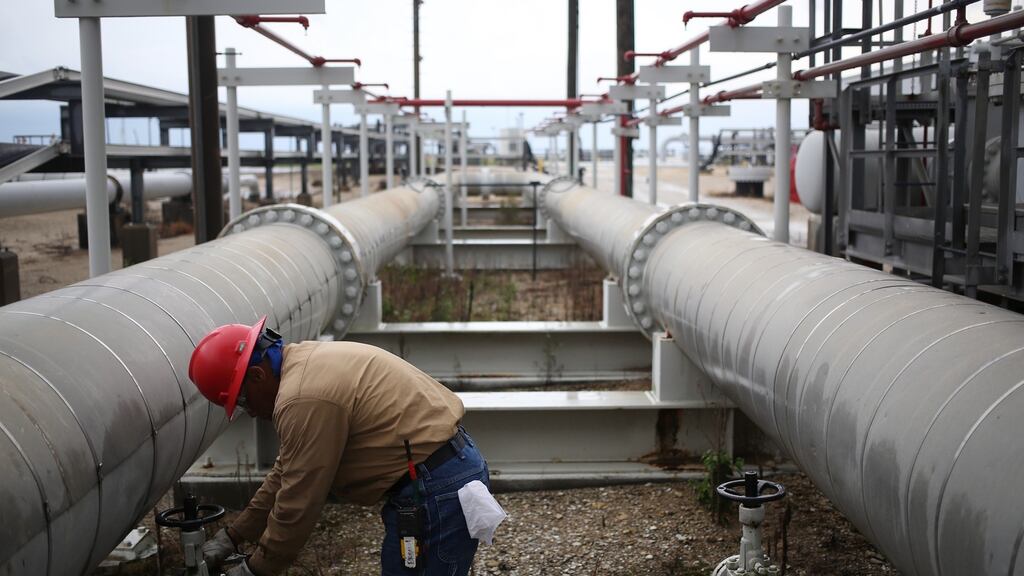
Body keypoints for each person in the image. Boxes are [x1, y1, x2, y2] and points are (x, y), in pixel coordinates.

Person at [188, 316, 490, 576]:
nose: (250, 411)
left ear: (257, 375)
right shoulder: (305, 363)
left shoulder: (303, 398)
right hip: (443, 473)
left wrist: (256, 568)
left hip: (435, 489)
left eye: (242, 400)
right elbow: (286, 472)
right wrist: (234, 535)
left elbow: (299, 500)